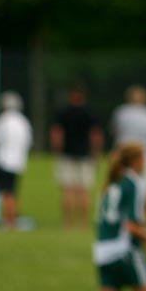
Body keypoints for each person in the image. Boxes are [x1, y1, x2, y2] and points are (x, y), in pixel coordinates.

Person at [95, 142, 146, 291]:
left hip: (102, 251)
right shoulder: (133, 182)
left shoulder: (112, 182)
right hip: (124, 250)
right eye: (144, 158)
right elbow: (131, 225)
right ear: (135, 161)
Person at [50, 83, 103, 228]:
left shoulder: (63, 112)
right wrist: (96, 153)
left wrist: (57, 151)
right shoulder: (89, 112)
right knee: (83, 190)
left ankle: (67, 223)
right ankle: (83, 223)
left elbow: (57, 134)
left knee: (68, 190)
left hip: (67, 154)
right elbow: (96, 135)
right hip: (85, 154)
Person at [0, 91, 33, 230]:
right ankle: (12, 218)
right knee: (12, 192)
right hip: (18, 162)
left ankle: (9, 220)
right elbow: (28, 142)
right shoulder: (24, 122)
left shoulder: (1, 120)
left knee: (5, 193)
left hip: (3, 160)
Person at [110, 86, 146, 200]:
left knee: (122, 188)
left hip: (125, 154)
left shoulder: (121, 112)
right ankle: (143, 217)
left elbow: (115, 132)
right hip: (145, 155)